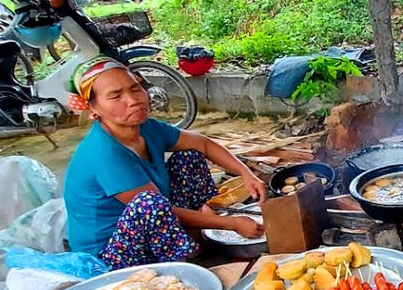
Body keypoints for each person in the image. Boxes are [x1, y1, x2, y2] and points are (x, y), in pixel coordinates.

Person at [64, 57, 267, 270]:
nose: (133, 100)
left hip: (153, 223)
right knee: (150, 204)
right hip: (108, 255)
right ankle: (178, 264)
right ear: (93, 109)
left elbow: (203, 144)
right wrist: (230, 223)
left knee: (189, 155)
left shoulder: (147, 128)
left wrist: (246, 174)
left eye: (135, 89)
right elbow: (161, 209)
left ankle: (193, 239)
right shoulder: (105, 154)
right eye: (116, 96)